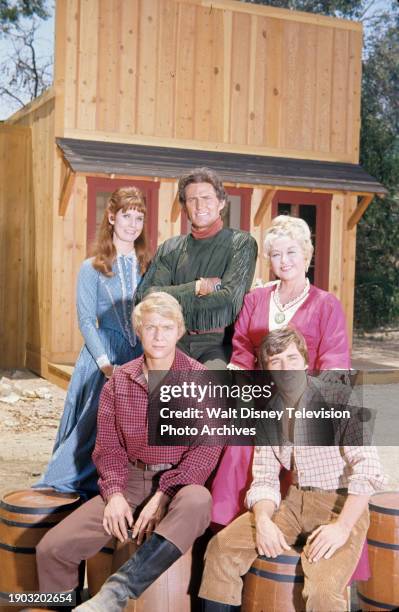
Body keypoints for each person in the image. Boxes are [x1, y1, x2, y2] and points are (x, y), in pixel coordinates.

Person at [36, 292, 222, 611]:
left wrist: (163, 496)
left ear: (179, 331)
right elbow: (107, 448)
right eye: (150, 327)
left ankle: (116, 592)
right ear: (139, 331)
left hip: (179, 484)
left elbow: (205, 451)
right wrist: (115, 493)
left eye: (166, 327)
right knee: (52, 548)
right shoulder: (120, 380)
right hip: (130, 480)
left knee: (198, 500)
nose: (158, 335)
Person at [199, 327, 385, 612]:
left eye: (292, 359)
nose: (286, 369)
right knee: (221, 548)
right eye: (276, 362)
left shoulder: (339, 398)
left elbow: (369, 469)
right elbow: (264, 479)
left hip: (341, 504)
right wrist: (262, 520)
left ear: (306, 362)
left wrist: (342, 527)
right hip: (293, 503)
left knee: (323, 590)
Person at [211, 214, 351, 525]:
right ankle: (225, 525)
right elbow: (243, 349)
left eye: (291, 252)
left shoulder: (326, 304)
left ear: (307, 255)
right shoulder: (255, 298)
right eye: (276, 254)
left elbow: (334, 364)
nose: (284, 261)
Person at [34, 187, 150, 497]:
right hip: (104, 354)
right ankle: (70, 482)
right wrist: (105, 364)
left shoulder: (147, 266)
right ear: (112, 217)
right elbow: (87, 320)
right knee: (93, 421)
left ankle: (117, 485)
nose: (133, 224)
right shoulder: (92, 267)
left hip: (137, 353)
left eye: (139, 217)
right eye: (127, 216)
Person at [136, 167, 258, 368]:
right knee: (160, 394)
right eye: (192, 199)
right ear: (184, 207)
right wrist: (197, 288)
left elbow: (228, 304)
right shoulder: (170, 248)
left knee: (211, 393)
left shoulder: (241, 244)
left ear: (221, 202)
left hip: (217, 345)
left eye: (206, 198)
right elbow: (145, 297)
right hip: (172, 341)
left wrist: (170, 298)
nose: (200, 205)